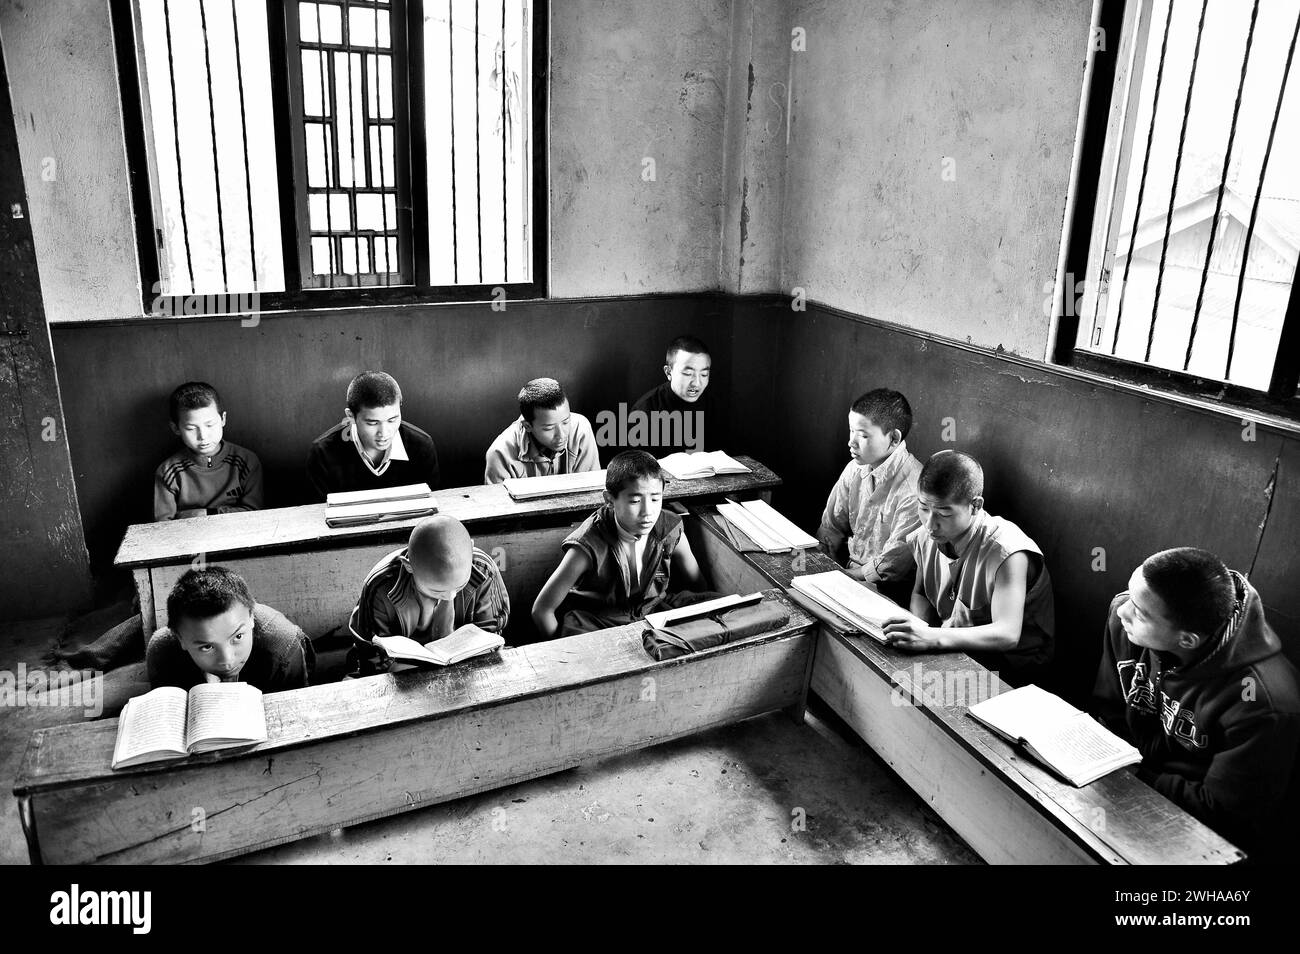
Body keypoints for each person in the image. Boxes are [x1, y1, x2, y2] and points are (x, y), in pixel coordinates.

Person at [1091, 548, 1300, 862]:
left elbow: (1223, 812)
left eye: (1140, 611)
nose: (1123, 611)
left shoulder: (1261, 701)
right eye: (1132, 595)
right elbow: (1108, 712)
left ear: (1187, 640)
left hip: (1197, 833)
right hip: (1124, 780)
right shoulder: (1126, 624)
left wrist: (1132, 774)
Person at [883, 450, 1054, 685]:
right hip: (949, 647)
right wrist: (916, 629)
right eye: (923, 508)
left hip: (1010, 673)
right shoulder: (927, 536)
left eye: (944, 513)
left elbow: (1007, 634)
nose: (930, 524)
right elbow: (921, 592)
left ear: (975, 506)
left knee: (907, 697)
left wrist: (932, 637)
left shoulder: (1007, 550)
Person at [532, 450, 710, 638]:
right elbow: (542, 610)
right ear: (609, 500)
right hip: (599, 622)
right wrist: (563, 652)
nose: (647, 512)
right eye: (635, 501)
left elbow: (697, 584)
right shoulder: (587, 544)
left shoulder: (669, 528)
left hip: (654, 612)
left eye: (656, 499)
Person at [348, 515, 509, 674]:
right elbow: (373, 653)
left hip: (468, 669)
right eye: (436, 591)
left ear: (471, 550)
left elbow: (491, 632)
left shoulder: (483, 570)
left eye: (460, 586)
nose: (450, 596)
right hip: (404, 675)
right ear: (409, 566)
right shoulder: (381, 586)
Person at [817, 388, 922, 602]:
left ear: (893, 438)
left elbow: (890, 568)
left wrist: (839, 578)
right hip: (843, 576)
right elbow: (830, 528)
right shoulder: (855, 468)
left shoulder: (914, 490)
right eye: (851, 431)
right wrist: (826, 568)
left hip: (887, 594)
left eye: (863, 435)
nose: (851, 443)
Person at [146, 566, 313, 693]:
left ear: (251, 617)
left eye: (238, 637)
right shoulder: (162, 651)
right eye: (207, 647)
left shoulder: (284, 646)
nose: (227, 661)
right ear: (180, 638)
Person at [307, 371, 440, 500]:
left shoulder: (422, 446)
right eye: (373, 423)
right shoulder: (323, 453)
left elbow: (433, 509)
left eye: (392, 420)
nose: (384, 432)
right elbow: (317, 515)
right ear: (351, 416)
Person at [154, 382, 263, 520]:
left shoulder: (247, 461)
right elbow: (162, 526)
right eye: (191, 428)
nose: (203, 436)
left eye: (210, 425)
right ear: (176, 428)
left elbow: (255, 512)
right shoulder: (168, 471)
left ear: (223, 419)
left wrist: (206, 514)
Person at [484, 377, 600, 482]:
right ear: (527, 426)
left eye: (566, 422)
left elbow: (592, 491)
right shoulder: (500, 454)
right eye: (549, 428)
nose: (561, 435)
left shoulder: (581, 429)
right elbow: (500, 505)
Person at [629, 335, 713, 455]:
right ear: (669, 372)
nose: (697, 383)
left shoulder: (713, 405)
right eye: (688, 373)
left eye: (704, 375)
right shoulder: (644, 410)